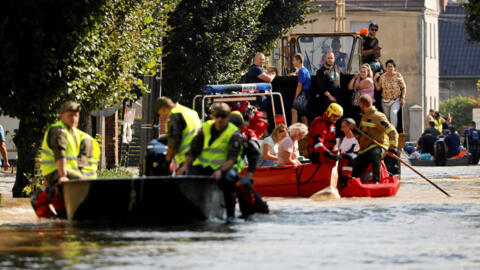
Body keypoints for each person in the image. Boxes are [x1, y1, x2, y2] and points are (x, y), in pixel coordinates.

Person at [177, 103, 244, 223]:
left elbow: (232, 158)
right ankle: (188, 212)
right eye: (217, 115)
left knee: (229, 179)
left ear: (228, 117)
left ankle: (230, 215)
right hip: (203, 166)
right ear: (213, 116)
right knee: (184, 177)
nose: (220, 119)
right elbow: (194, 150)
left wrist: (220, 171)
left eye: (223, 116)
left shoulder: (233, 133)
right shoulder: (205, 127)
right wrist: (185, 166)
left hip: (224, 167)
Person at [229, 112, 269, 217]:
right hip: (234, 175)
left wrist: (249, 172)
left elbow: (255, 149)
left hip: (236, 175)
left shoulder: (248, 133)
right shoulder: (231, 135)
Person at [353, 95, 398, 183]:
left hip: (380, 146)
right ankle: (353, 180)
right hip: (365, 149)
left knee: (374, 153)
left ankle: (376, 180)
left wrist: (392, 149)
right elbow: (363, 133)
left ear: (362, 104)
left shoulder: (378, 116)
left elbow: (392, 132)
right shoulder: (364, 116)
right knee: (356, 165)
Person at [154, 96, 201, 167]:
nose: (162, 117)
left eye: (160, 114)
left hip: (186, 160)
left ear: (164, 109)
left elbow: (174, 142)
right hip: (200, 157)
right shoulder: (189, 112)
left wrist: (166, 161)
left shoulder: (174, 116)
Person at [309, 51, 344, 120]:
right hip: (327, 100)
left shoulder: (337, 69)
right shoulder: (320, 71)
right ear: (325, 59)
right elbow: (322, 87)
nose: (330, 60)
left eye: (331, 58)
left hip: (338, 99)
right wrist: (330, 97)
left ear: (334, 59)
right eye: (328, 58)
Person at [373, 59, 406, 128]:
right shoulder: (382, 77)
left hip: (395, 100)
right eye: (388, 66)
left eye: (391, 66)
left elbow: (403, 88)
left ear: (394, 67)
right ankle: (388, 135)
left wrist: (402, 98)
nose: (390, 68)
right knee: (387, 119)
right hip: (385, 101)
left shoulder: (398, 75)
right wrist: (375, 80)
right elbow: (378, 88)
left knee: (393, 113)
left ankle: (394, 132)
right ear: (386, 68)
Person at [337, 118, 360, 187]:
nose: (341, 129)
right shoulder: (339, 140)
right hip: (339, 165)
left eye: (343, 127)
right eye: (341, 127)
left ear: (351, 127)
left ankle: (346, 179)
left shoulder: (358, 141)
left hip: (353, 166)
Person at [291, 53, 311, 125]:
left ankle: (293, 130)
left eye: (294, 60)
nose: (292, 62)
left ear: (298, 61)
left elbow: (299, 85)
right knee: (303, 115)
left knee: (294, 110)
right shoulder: (304, 70)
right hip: (306, 94)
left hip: (302, 94)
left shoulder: (301, 71)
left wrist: (295, 98)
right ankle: (306, 132)